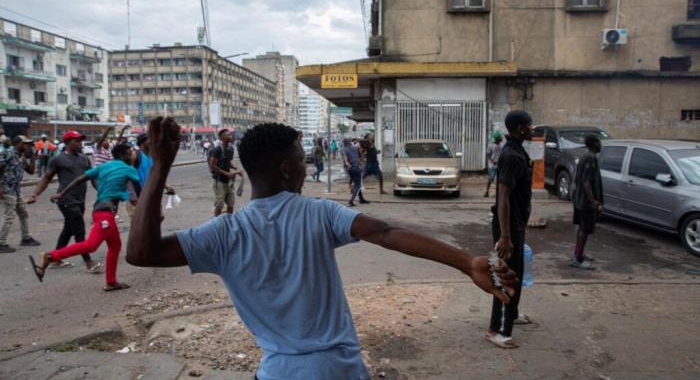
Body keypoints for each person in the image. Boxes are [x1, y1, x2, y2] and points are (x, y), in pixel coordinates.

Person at [125, 118, 518, 380]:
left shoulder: (224, 233)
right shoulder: (318, 213)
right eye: (301, 159)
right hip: (339, 369)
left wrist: (160, 166)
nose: (304, 165)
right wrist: (467, 261)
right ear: (285, 169)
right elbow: (386, 231)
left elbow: (141, 253)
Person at [29, 144, 141, 291]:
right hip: (105, 213)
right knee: (91, 245)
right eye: (129, 153)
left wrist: (62, 193)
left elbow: (79, 179)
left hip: (101, 211)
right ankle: (51, 256)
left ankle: (111, 282)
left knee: (115, 247)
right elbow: (139, 189)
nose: (131, 156)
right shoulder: (129, 169)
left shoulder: (103, 167)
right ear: (122, 156)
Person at [486, 110, 534, 349]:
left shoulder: (518, 150)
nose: (532, 129)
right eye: (529, 125)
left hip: (515, 224)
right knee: (506, 277)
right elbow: (503, 196)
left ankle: (512, 314)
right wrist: (505, 237)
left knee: (517, 274)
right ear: (518, 129)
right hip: (508, 227)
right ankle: (497, 330)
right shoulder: (512, 155)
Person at [28, 131, 101, 273]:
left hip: (80, 200)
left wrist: (102, 192)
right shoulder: (58, 159)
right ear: (68, 143)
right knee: (79, 230)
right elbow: (47, 177)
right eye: (77, 141)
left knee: (68, 229)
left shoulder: (84, 159)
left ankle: (55, 258)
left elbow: (92, 178)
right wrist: (35, 193)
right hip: (65, 199)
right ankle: (88, 261)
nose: (80, 143)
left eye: (81, 141)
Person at [0, 136, 41, 253]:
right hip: (7, 188)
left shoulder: (21, 156)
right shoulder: (8, 153)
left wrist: (33, 156)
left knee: (23, 213)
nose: (28, 146)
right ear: (18, 144)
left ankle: (26, 238)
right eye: (26, 144)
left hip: (17, 189)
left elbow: (31, 171)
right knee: (8, 216)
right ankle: (1, 242)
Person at [570, 135, 603, 270]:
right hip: (585, 202)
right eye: (599, 142)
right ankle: (578, 259)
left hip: (580, 199)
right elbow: (586, 182)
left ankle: (578, 254)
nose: (601, 144)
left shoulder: (587, 156)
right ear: (594, 143)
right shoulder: (590, 158)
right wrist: (593, 201)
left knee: (582, 228)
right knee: (585, 229)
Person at [210, 129, 242, 216]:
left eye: (230, 134)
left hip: (228, 181)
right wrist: (226, 173)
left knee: (231, 204)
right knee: (220, 204)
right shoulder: (217, 150)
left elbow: (228, 162)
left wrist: (235, 168)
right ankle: (216, 223)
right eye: (228, 135)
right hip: (219, 180)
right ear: (222, 138)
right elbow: (212, 165)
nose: (230, 136)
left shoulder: (231, 149)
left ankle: (229, 223)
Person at [342, 138, 369, 207]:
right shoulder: (355, 148)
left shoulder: (344, 149)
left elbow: (345, 159)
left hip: (349, 169)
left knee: (356, 183)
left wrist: (347, 164)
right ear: (350, 142)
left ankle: (359, 197)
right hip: (356, 168)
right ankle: (351, 199)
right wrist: (362, 163)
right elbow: (360, 156)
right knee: (358, 185)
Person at [484, 132, 504, 198]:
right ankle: (487, 191)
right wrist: (492, 161)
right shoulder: (491, 145)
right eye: (499, 137)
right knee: (491, 178)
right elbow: (488, 154)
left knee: (500, 179)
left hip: (499, 164)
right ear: (496, 138)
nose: (500, 139)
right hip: (492, 165)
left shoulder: (501, 146)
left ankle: (498, 193)